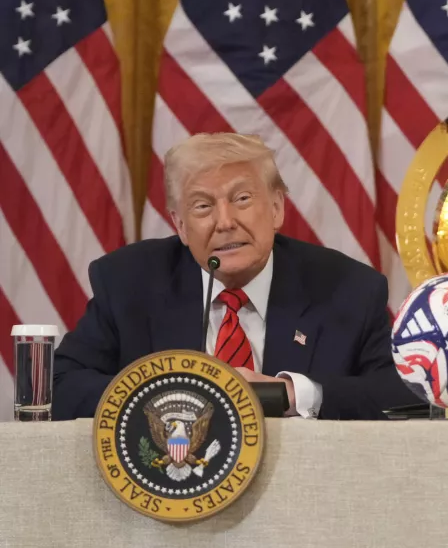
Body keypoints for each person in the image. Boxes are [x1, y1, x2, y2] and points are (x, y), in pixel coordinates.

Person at [53, 133, 417, 420]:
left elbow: (404, 394)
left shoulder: (348, 289)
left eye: (242, 199)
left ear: (276, 209)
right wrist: (170, 395)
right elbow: (60, 386)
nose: (225, 222)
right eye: (202, 206)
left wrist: (294, 395)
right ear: (180, 225)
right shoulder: (129, 282)